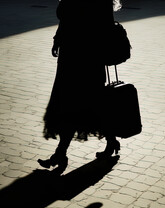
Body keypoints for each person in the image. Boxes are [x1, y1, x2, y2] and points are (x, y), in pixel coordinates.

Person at [38, 0, 122, 174]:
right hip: (70, 55)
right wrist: (57, 40)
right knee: (82, 103)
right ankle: (110, 141)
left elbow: (106, 26)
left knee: (81, 104)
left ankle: (61, 153)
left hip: (88, 58)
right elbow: (65, 18)